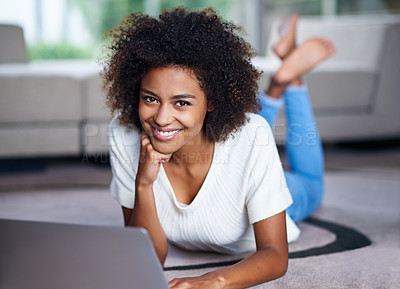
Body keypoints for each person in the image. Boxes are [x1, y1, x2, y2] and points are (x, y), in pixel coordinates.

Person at [103, 8, 333, 289]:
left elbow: (274, 255)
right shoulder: (125, 133)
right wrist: (143, 184)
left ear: (212, 101)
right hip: (236, 146)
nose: (161, 118)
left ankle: (290, 81)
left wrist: (213, 281)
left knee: (310, 183)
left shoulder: (249, 135)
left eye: (182, 102)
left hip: (261, 187)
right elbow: (149, 257)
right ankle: (279, 83)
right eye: (150, 99)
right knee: (249, 131)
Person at [258, 15, 336, 223]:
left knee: (247, 144)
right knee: (311, 185)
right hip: (273, 194)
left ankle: (285, 77)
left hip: (254, 190)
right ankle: (281, 82)